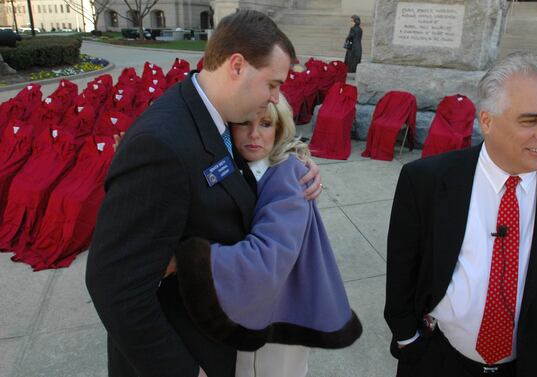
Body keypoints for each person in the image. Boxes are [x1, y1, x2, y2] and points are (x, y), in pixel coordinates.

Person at [86, 10, 323, 377]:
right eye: (272, 84)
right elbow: (115, 289)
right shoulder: (161, 146)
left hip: (217, 337)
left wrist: (297, 164)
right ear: (237, 66)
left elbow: (237, 189)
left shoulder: (218, 117)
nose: (276, 98)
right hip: (185, 352)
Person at [385, 51, 537, 377]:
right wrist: (406, 338)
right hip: (435, 358)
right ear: (487, 121)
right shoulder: (426, 180)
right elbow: (403, 267)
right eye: (530, 120)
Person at [173, 95, 362, 377]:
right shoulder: (236, 166)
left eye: (265, 124)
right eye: (244, 123)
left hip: (274, 321)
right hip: (258, 306)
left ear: (280, 128)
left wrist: (186, 260)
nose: (254, 135)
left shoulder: (287, 174)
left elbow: (268, 255)